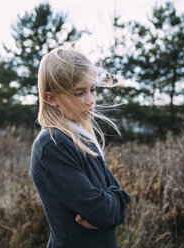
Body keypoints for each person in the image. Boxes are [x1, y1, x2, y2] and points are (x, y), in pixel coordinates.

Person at [30, 45, 131, 248]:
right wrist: (111, 208)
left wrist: (114, 207)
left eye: (93, 89)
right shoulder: (52, 145)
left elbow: (121, 204)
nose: (91, 100)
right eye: (79, 93)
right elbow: (103, 211)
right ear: (52, 98)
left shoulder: (81, 138)